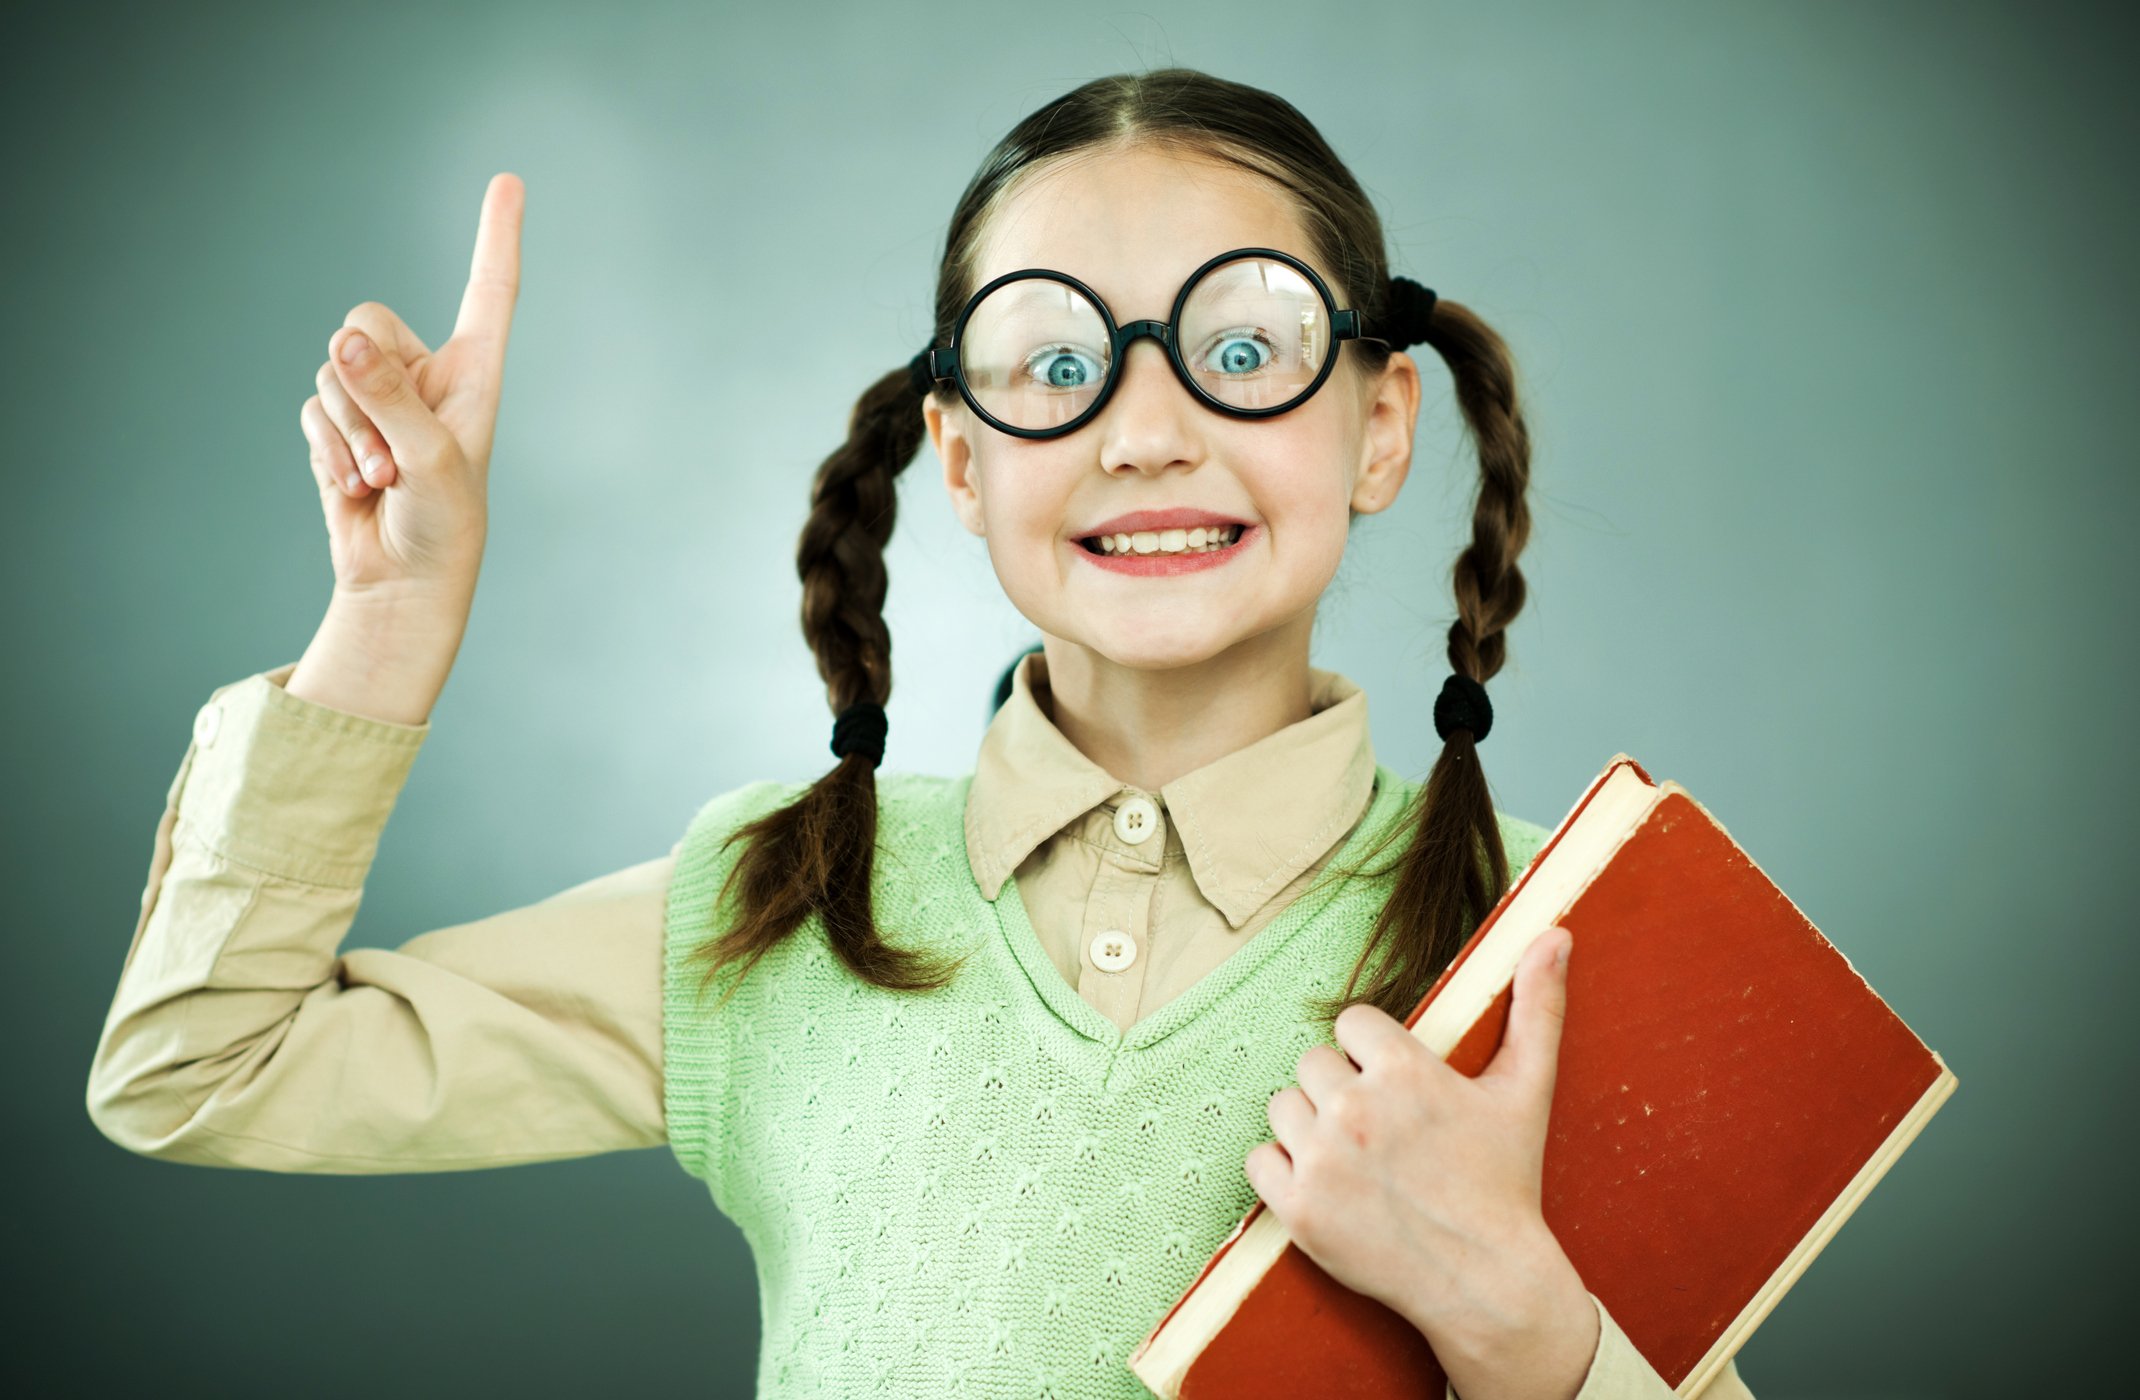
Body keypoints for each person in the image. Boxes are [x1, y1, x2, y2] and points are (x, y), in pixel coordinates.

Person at [86, 69, 1758, 1400]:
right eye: (1058, 367)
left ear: (1381, 426)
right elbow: (197, 1070)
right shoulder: (780, 905)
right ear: (960, 462)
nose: (1148, 432)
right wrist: (389, 619)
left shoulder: (1548, 943)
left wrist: (1522, 1333)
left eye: (1245, 349)